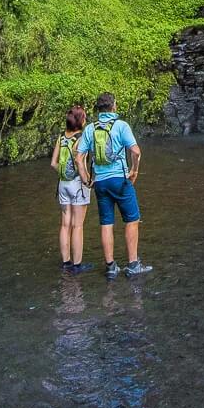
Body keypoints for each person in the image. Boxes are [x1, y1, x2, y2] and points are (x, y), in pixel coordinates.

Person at [75, 92, 151, 278]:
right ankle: (133, 264)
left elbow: (79, 158)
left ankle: (110, 267)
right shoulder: (121, 126)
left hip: (100, 183)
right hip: (120, 181)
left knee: (106, 223)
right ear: (114, 107)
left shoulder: (90, 129)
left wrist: (86, 180)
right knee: (132, 220)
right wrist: (134, 170)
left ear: (99, 110)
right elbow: (135, 151)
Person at [51, 106, 91, 273]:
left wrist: (64, 175)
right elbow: (79, 163)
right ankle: (77, 264)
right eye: (84, 117)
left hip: (62, 184)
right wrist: (87, 182)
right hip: (77, 185)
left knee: (65, 225)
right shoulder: (81, 138)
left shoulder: (61, 137)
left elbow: (53, 163)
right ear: (80, 120)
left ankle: (66, 262)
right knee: (77, 226)